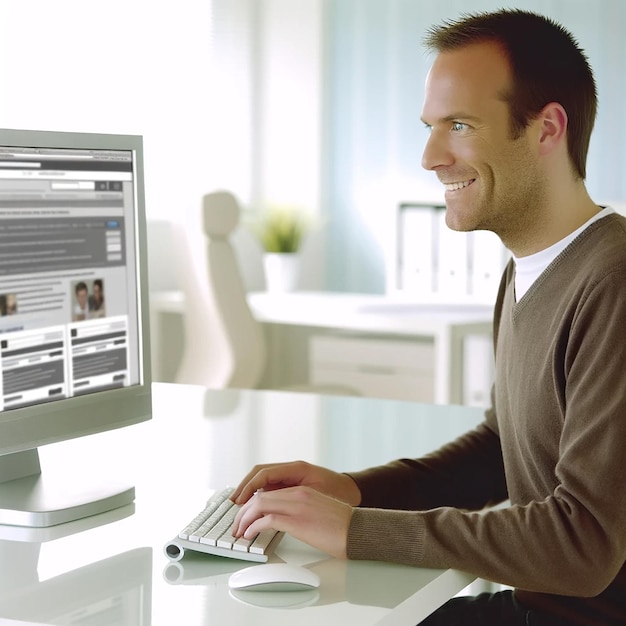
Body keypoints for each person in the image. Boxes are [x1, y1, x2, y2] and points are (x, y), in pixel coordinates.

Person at [230, 9, 626, 626]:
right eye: (431, 127)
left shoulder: (613, 280)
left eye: (459, 125)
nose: (430, 156)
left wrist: (362, 531)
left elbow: (584, 547)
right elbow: (502, 450)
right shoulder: (532, 266)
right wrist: (354, 491)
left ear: (547, 128)